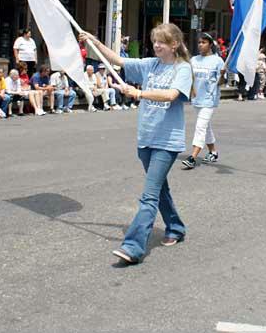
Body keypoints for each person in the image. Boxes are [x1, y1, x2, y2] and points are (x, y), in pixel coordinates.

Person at [79, 23, 192, 265]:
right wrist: (95, 42)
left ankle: (133, 246)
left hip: (167, 141)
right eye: (154, 41)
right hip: (146, 138)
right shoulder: (150, 64)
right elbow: (119, 61)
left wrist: (138, 93)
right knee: (159, 188)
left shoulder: (182, 69)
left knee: (149, 195)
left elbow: (172, 95)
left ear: (174, 45)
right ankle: (175, 227)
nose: (156, 45)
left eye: (161, 41)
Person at [181, 33, 226, 169]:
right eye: (199, 42)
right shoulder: (194, 60)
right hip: (197, 99)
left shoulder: (218, 61)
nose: (200, 45)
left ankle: (193, 157)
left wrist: (223, 75)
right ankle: (213, 152)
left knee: (200, 126)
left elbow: (220, 83)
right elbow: (189, 77)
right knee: (206, 127)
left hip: (209, 99)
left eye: (203, 42)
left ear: (210, 45)